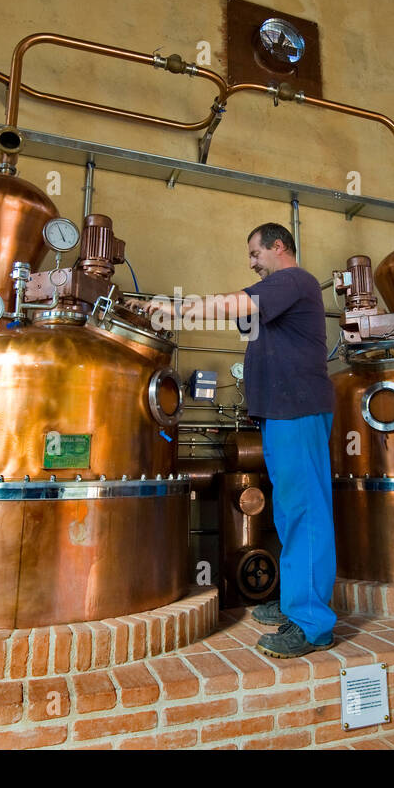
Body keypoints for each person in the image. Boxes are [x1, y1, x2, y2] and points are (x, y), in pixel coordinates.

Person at [136, 223, 337, 658]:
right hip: (282, 414)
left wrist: (177, 309)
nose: (250, 262)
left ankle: (313, 623)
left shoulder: (293, 281)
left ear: (277, 246)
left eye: (254, 253)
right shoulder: (279, 298)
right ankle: (296, 604)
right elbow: (242, 314)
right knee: (288, 513)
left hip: (298, 410)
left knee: (306, 512)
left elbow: (233, 304)